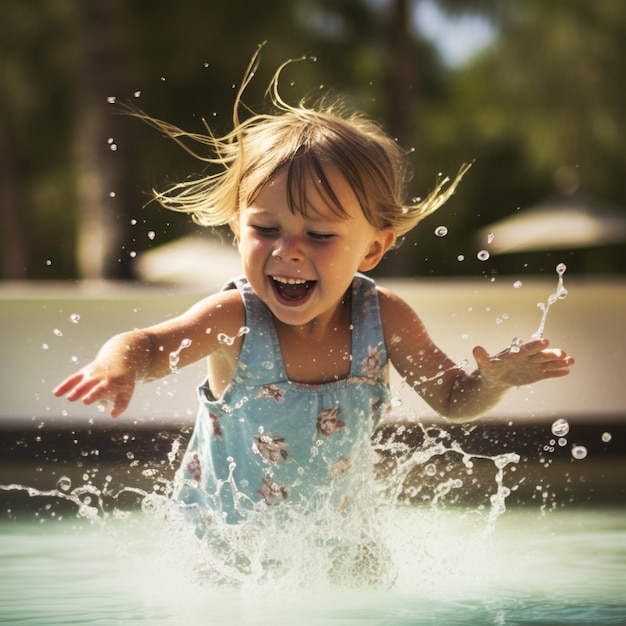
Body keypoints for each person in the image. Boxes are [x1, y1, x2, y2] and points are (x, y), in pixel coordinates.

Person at [53, 50, 574, 527]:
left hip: (341, 538)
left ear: (372, 249)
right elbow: (151, 345)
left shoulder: (383, 317)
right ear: (237, 229)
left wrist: (496, 379)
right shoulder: (235, 318)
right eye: (264, 229)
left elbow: (454, 399)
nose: (289, 250)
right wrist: (115, 365)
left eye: (320, 234)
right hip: (229, 548)